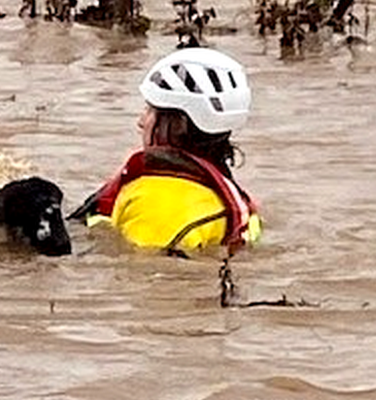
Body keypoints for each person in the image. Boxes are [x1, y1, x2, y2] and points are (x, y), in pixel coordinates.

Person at [70, 47, 263, 257]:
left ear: (179, 125)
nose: (141, 122)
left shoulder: (159, 203)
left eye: (151, 110)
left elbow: (145, 279)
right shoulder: (218, 187)